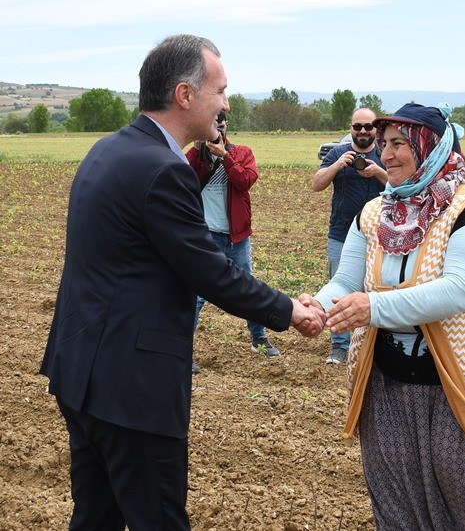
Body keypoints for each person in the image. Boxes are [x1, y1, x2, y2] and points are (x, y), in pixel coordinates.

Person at [39, 34, 325, 530]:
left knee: (95, 518)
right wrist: (289, 311)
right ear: (185, 95)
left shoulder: (106, 151)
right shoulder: (164, 169)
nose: (227, 103)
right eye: (220, 90)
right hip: (132, 388)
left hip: (80, 370)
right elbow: (211, 272)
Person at [308, 102, 465, 529]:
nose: (385, 155)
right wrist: (317, 305)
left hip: (463, 384)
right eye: (384, 144)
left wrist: (375, 307)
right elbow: (347, 279)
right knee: (396, 500)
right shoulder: (376, 213)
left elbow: (460, 289)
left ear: (430, 148)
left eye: (398, 144)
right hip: (388, 383)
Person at [186, 110, 276, 372]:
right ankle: (183, 351)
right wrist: (198, 152)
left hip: (236, 236)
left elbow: (245, 180)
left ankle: (258, 339)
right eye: (211, 124)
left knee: (247, 288)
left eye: (220, 124)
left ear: (227, 125)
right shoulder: (196, 156)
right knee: (196, 296)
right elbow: (182, 181)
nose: (216, 129)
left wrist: (224, 156)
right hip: (206, 236)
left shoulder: (242, 152)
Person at [311, 107, 388, 364]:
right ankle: (340, 346)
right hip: (341, 234)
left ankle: (374, 344)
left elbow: (405, 188)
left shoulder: (385, 155)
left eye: (368, 126)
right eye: (358, 127)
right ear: (350, 128)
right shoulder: (337, 153)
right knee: (339, 289)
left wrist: (378, 171)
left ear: (376, 128)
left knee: (380, 288)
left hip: (382, 237)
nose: (363, 131)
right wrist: (337, 165)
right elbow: (316, 184)